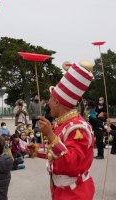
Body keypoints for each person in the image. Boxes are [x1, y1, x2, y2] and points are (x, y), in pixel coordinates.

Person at [38, 62, 95, 200]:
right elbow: (56, 152)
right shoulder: (64, 123)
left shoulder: (77, 128)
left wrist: (50, 135)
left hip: (74, 194)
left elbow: (70, 163)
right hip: (63, 191)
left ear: (57, 102)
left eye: (50, 99)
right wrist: (35, 149)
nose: (47, 103)